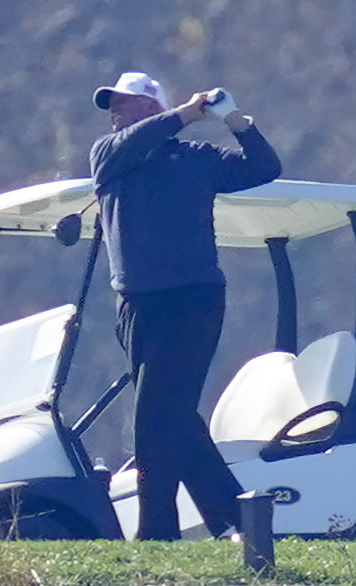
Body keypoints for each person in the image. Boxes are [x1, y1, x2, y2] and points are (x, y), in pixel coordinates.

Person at [89, 72, 282, 540]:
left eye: (125, 102)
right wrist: (187, 114)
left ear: (150, 108)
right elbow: (138, 141)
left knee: (154, 415)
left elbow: (264, 167)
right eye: (113, 103)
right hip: (135, 306)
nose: (115, 110)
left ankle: (158, 533)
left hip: (192, 301)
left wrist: (235, 121)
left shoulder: (197, 159)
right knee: (172, 414)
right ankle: (238, 519)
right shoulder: (109, 156)